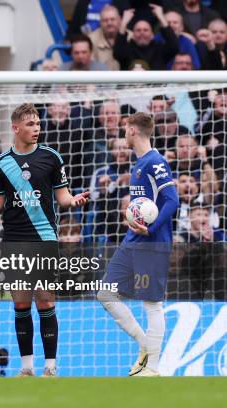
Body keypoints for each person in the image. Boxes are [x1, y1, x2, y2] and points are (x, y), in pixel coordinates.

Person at [0, 104, 89, 376]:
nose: (37, 129)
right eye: (31, 124)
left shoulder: (51, 158)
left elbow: (62, 197)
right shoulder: (2, 163)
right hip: (14, 239)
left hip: (43, 237)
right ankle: (27, 367)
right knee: (20, 303)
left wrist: (73, 200)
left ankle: (50, 367)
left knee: (45, 300)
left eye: (39, 124)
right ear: (16, 127)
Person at [97, 112, 180, 377]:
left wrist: (151, 228)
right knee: (105, 293)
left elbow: (172, 200)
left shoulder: (156, 162)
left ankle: (153, 368)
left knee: (151, 304)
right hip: (132, 240)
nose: (123, 133)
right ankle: (146, 345)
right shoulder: (139, 163)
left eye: (125, 128)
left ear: (133, 130)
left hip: (152, 243)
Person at [113, 5, 180, 70]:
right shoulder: (127, 50)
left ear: (152, 34)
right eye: (138, 30)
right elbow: (117, 53)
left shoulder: (159, 50)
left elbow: (174, 46)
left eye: (146, 30)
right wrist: (124, 22)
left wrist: (161, 17)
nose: (142, 33)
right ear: (133, 34)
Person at [88, 5, 122, 71]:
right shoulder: (91, 39)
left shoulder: (130, 36)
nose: (109, 23)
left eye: (112, 19)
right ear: (100, 22)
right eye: (105, 20)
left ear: (119, 19)